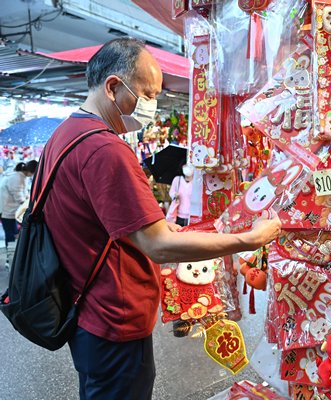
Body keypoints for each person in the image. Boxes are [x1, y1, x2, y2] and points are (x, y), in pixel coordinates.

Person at [40, 38, 281, 400]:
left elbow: (105, 222)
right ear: (113, 87)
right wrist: (251, 239)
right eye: (147, 94)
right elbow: (159, 246)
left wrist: (155, 225)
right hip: (112, 317)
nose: (150, 105)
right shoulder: (105, 149)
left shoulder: (65, 136)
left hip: (85, 310)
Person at [0, 160, 38, 269]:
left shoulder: (19, 176)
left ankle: (12, 258)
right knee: (10, 234)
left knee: (13, 233)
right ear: (32, 171)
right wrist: (28, 203)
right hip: (7, 211)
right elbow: (19, 197)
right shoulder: (17, 178)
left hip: (10, 210)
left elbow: (23, 193)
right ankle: (10, 260)